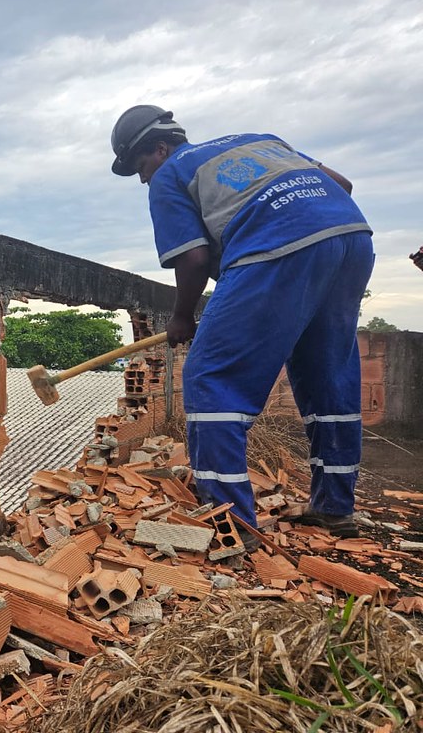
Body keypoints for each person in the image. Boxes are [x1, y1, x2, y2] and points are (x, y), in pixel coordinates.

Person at [110, 105, 373, 539]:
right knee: (327, 374)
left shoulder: (172, 174)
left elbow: (192, 258)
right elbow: (341, 185)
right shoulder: (261, 140)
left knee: (211, 377)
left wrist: (181, 317)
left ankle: (231, 523)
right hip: (351, 240)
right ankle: (334, 508)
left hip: (276, 249)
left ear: (159, 148)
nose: (142, 178)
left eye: (140, 166)